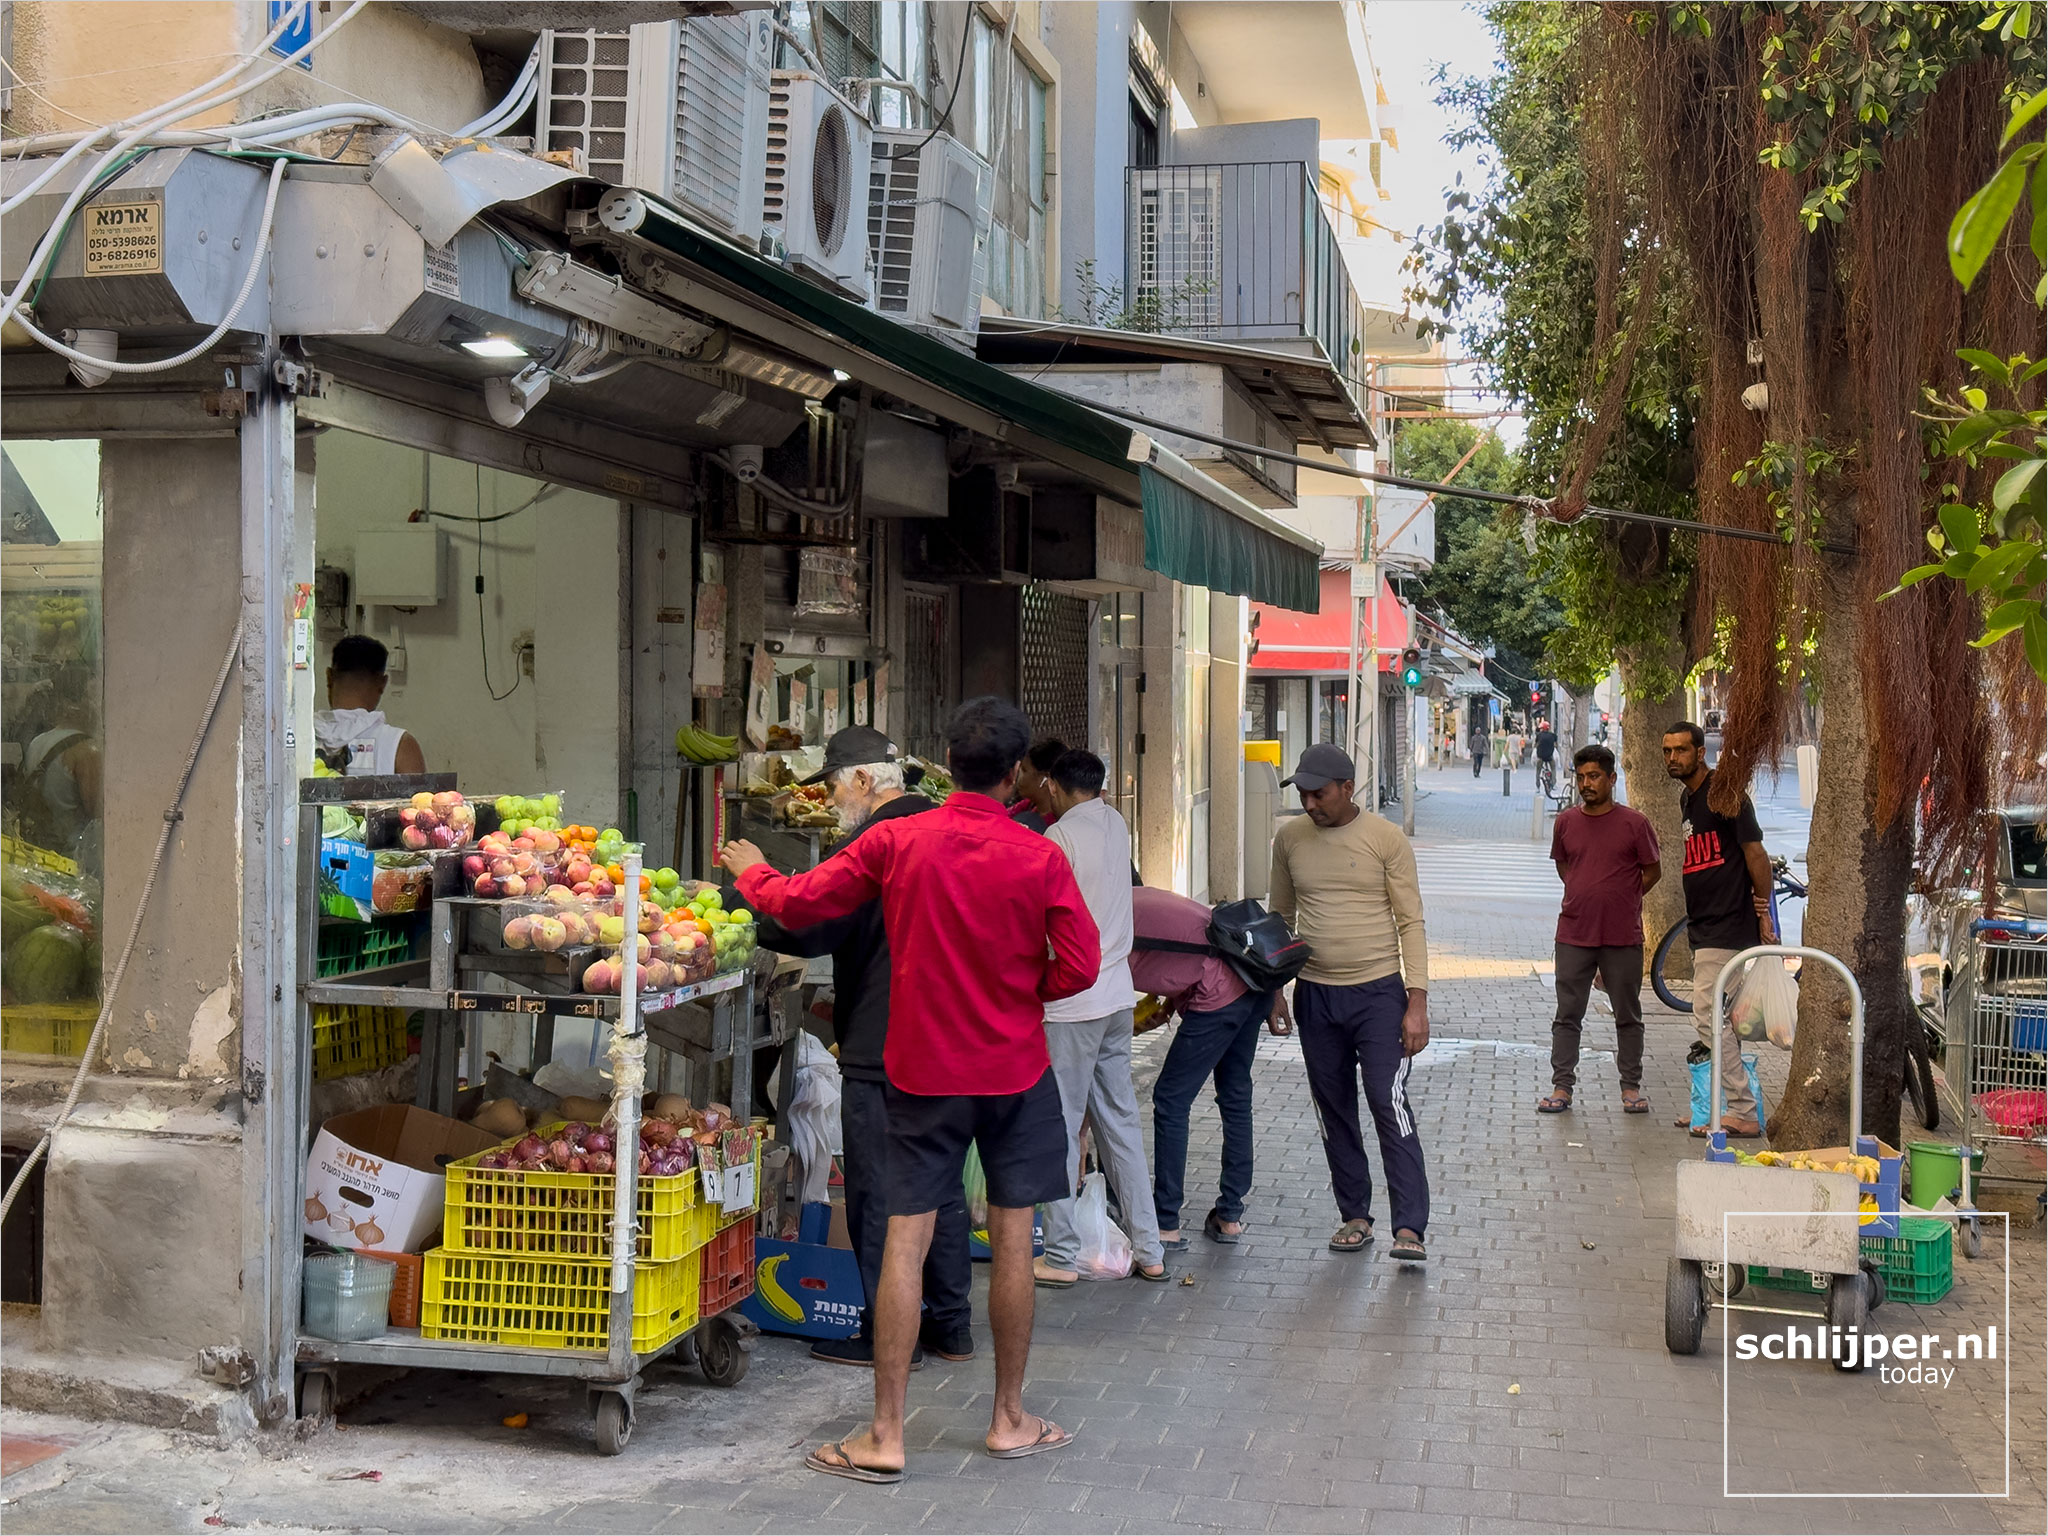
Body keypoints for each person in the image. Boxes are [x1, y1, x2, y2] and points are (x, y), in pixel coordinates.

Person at [720, 697, 1099, 1482]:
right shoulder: (1039, 855)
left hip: (918, 1069)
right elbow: (1081, 967)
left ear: (948, 760)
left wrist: (750, 870)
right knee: (1016, 1239)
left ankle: (886, 1434)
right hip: (1016, 1070)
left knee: (903, 1237)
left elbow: (797, 904)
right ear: (1017, 773)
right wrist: (1023, 987)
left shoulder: (897, 839)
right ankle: (1009, 1419)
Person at [747, 726, 971, 1370]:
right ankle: (950, 1325)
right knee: (941, 1184)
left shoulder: (876, 842)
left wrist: (749, 892)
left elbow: (816, 924)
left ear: (866, 781)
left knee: (876, 1191)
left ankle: (883, 1332)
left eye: (836, 785)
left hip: (883, 1039)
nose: (833, 798)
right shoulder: (944, 830)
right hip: (946, 1038)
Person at [1268, 744, 1432, 1263]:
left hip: (1379, 994)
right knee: (1333, 1109)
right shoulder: (1289, 838)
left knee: (1388, 1104)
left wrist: (1417, 1001)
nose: (1310, 803)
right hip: (1315, 995)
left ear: (1347, 788)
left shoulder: (1386, 838)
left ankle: (1409, 1227)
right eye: (1302, 794)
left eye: (1319, 793)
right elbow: (1280, 916)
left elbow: (1411, 919)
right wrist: (1275, 989)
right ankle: (1355, 1216)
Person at [1031, 749, 1167, 1288]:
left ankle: (1061, 1257)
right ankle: (1151, 1249)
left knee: (1060, 1125)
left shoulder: (1057, 841)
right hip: (1116, 999)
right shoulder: (1116, 823)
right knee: (1121, 1124)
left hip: (1070, 1004)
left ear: (1054, 786)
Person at [1131, 886, 1275, 1247]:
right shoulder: (1133, 898)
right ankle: (1230, 1217)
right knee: (1235, 1095)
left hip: (1221, 992)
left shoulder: (1099, 921)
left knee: (1170, 1099)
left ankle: (1165, 1224)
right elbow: (1178, 949)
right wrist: (1163, 999)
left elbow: (1100, 1007)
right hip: (1252, 979)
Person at [1662, 720, 1773, 1137]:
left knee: (1708, 1017)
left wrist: (1763, 911)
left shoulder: (1725, 794)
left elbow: (1755, 854)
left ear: (1700, 752)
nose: (1673, 758)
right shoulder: (1688, 800)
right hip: (1703, 924)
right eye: (1667, 751)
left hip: (1728, 925)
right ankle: (1712, 1107)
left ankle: (1742, 1110)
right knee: (1720, 1022)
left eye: (1681, 751)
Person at [1538, 744, 1661, 1115]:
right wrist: (1585, 893)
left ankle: (1630, 1087)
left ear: (1611, 779)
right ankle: (1562, 1087)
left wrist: (1623, 897)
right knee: (1568, 1013)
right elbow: (1565, 867)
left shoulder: (1635, 824)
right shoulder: (1566, 822)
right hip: (1574, 933)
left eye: (1594, 777)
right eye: (1580, 778)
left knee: (1627, 1013)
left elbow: (1652, 871)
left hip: (1622, 935)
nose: (1586, 784)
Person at [316, 635, 425, 776]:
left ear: (329, 676)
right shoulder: (400, 745)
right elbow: (420, 797)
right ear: (383, 683)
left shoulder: (298, 738)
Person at [1009, 738, 1065, 832]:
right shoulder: (1027, 806)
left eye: (1024, 770)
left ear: (1046, 779)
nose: (1019, 775)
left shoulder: (1057, 824)